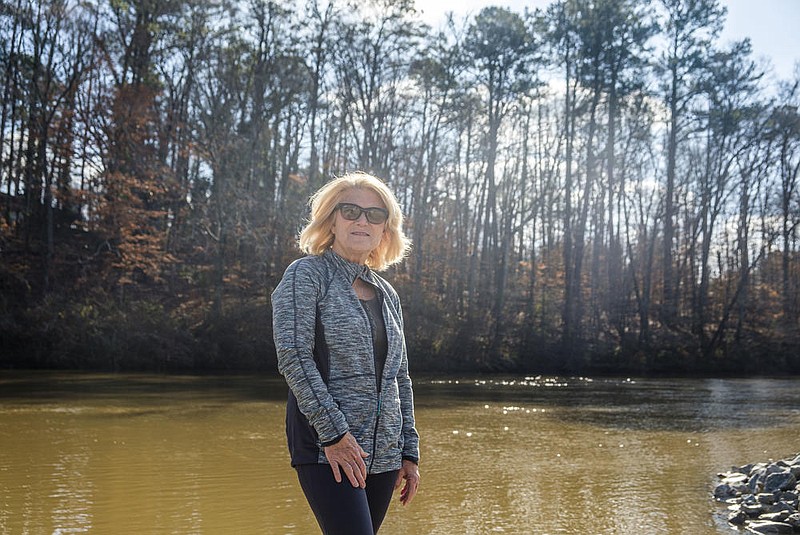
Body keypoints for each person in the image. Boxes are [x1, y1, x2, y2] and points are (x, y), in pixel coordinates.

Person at [272, 171, 420, 535]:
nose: (361, 221)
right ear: (331, 219)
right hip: (328, 448)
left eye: (374, 214)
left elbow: (399, 375)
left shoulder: (387, 294)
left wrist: (409, 450)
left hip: (383, 453)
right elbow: (294, 357)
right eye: (350, 210)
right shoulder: (306, 275)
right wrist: (335, 436)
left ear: (385, 229)